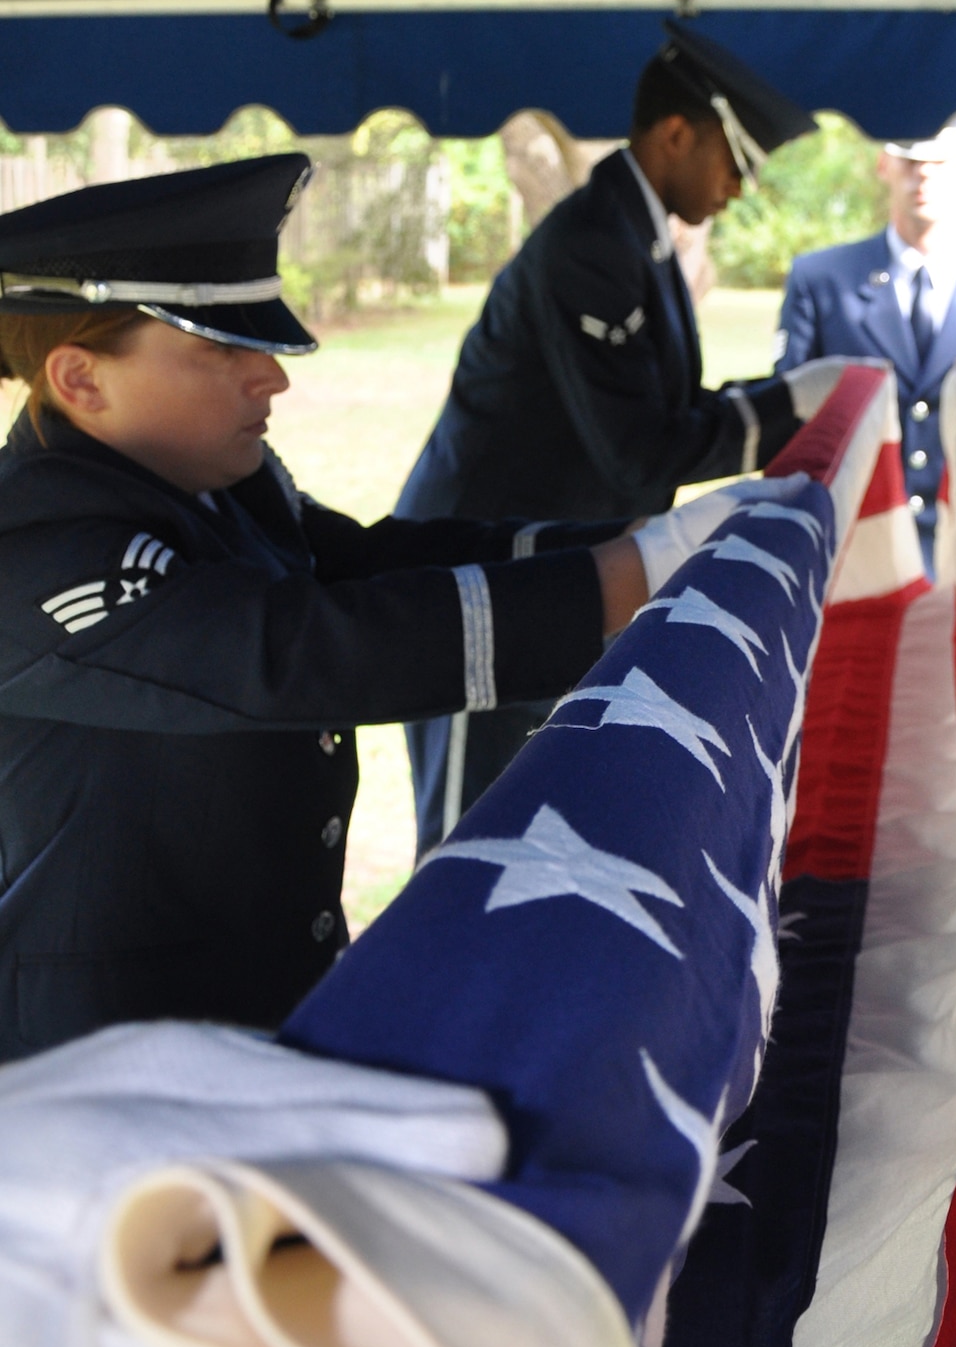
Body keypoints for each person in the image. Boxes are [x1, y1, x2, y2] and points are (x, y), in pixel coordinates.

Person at [0, 156, 761, 1061]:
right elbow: (298, 650)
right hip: (105, 1050)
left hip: (254, 1000)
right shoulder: (38, 546)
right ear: (81, 380)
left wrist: (623, 543)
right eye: (221, 350)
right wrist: (615, 582)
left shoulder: (212, 484)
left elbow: (365, 561)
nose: (270, 380)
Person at [397, 21, 832, 848]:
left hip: (550, 558)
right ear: (676, 135)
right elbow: (641, 449)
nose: (737, 190)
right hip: (481, 567)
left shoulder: (635, 234)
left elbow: (667, 405)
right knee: (469, 832)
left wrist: (783, 398)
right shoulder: (593, 245)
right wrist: (787, 408)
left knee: (538, 816)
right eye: (735, 163)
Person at [775, 114, 956, 560]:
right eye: (909, 161)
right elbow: (790, 427)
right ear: (883, 164)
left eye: (940, 162)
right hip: (852, 554)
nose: (923, 175)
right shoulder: (822, 280)